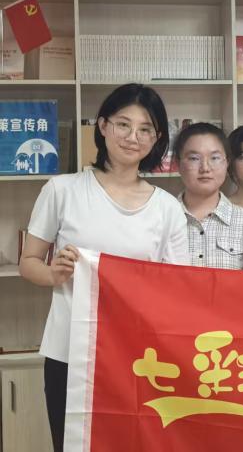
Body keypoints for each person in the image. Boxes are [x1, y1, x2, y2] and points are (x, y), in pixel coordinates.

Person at [19, 83, 189, 452]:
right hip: (70, 352)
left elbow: (178, 288)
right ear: (103, 126)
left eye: (145, 129)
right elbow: (28, 263)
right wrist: (53, 273)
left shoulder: (167, 208)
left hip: (138, 357)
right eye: (123, 124)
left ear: (158, 138)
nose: (133, 137)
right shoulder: (62, 190)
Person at [175, 122, 243, 269]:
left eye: (215, 158)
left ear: (227, 163)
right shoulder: (162, 219)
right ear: (178, 164)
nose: (205, 168)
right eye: (194, 158)